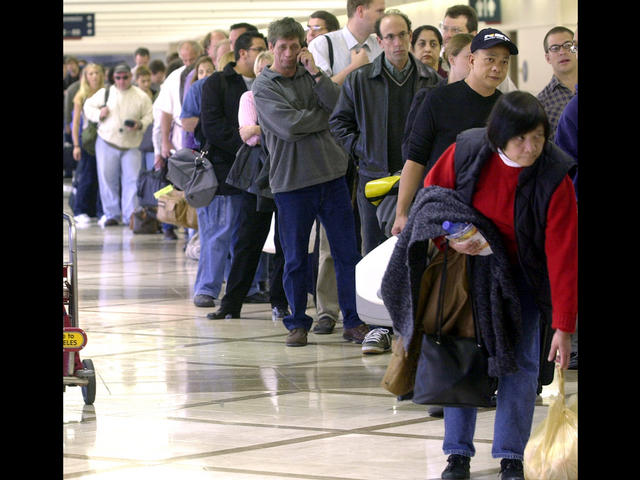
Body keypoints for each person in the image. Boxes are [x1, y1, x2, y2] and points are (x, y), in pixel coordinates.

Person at [417, 91, 576, 480]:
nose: (530, 147)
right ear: (499, 136)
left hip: (522, 277)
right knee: (460, 357)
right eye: (521, 138)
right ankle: (457, 454)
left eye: (538, 137)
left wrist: (563, 325)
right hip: (466, 273)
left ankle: (511, 456)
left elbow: (564, 252)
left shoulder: (554, 174)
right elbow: (433, 201)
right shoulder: (467, 152)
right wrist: (450, 238)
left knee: (520, 365)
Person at [253, 17, 370, 347]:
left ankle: (353, 319)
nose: (289, 53)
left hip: (331, 176)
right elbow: (288, 126)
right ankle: (297, 323)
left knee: (347, 253)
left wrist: (318, 73)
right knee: (294, 258)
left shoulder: (311, 75)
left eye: (294, 46)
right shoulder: (263, 86)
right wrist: (324, 119)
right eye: (282, 48)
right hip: (292, 183)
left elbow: (338, 105)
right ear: (272, 48)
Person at [331, 10, 441, 255]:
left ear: (410, 36)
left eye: (402, 35)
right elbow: (338, 123)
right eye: (389, 37)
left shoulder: (431, 80)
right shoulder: (360, 80)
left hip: (417, 178)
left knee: (414, 249)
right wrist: (363, 149)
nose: (397, 43)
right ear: (379, 42)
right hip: (374, 176)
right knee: (373, 250)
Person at [307, 0, 385, 340]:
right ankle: (327, 310)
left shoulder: (380, 47)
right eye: (379, 10)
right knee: (330, 238)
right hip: (331, 151)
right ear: (360, 10)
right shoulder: (324, 45)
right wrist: (354, 68)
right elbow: (319, 96)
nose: (382, 16)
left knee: (369, 237)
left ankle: (367, 310)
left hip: (369, 153)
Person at [392, 28, 518, 237]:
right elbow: (415, 159)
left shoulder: (505, 108)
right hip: (442, 208)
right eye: (490, 59)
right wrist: (401, 213)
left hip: (489, 213)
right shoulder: (438, 99)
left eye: (504, 61)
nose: (497, 67)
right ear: (472, 60)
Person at [208, 47, 290, 320]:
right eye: (263, 70)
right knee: (246, 240)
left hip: (288, 174)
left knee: (285, 243)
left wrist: (265, 128)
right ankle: (231, 304)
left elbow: (291, 130)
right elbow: (250, 136)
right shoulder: (249, 97)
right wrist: (277, 129)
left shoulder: (289, 96)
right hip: (256, 178)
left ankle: (280, 301)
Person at [192, 30, 267, 309]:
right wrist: (246, 144)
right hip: (224, 170)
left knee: (249, 232)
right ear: (242, 53)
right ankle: (207, 288)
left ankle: (249, 286)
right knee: (218, 230)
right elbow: (212, 125)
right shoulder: (218, 82)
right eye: (258, 49)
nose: (262, 54)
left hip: (259, 170)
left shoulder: (267, 82)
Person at [83, 63, 153, 226]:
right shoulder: (105, 93)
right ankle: (112, 214)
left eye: (125, 77)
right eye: (118, 78)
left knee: (132, 181)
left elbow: (150, 115)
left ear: (131, 77)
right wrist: (99, 114)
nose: (122, 81)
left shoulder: (141, 96)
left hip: (132, 143)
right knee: (108, 180)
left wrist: (140, 124)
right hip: (107, 141)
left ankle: (130, 215)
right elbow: (88, 107)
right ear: (113, 78)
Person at [438, 5, 516, 93]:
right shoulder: (437, 67)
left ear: (473, 35)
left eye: (456, 30)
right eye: (445, 29)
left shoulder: (491, 73)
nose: (448, 35)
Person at [155, 40, 203, 160]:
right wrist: (165, 142)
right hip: (179, 133)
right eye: (185, 60)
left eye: (192, 60)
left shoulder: (207, 74)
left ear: (200, 54)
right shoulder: (174, 78)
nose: (188, 64)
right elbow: (166, 112)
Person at [70, 63, 105, 224]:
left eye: (96, 72)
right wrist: (76, 145)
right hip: (87, 142)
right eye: (90, 73)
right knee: (87, 176)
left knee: (103, 178)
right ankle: (80, 210)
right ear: (85, 76)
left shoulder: (107, 93)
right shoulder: (81, 96)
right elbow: (76, 123)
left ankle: (99, 210)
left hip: (105, 139)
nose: (94, 76)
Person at [536, 26, 577, 140]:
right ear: (547, 58)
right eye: (555, 48)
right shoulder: (541, 103)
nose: (562, 52)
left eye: (568, 45)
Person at [180, 55, 215, 149]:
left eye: (208, 71)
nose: (205, 75)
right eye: (201, 72)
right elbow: (186, 121)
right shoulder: (195, 89)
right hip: (197, 144)